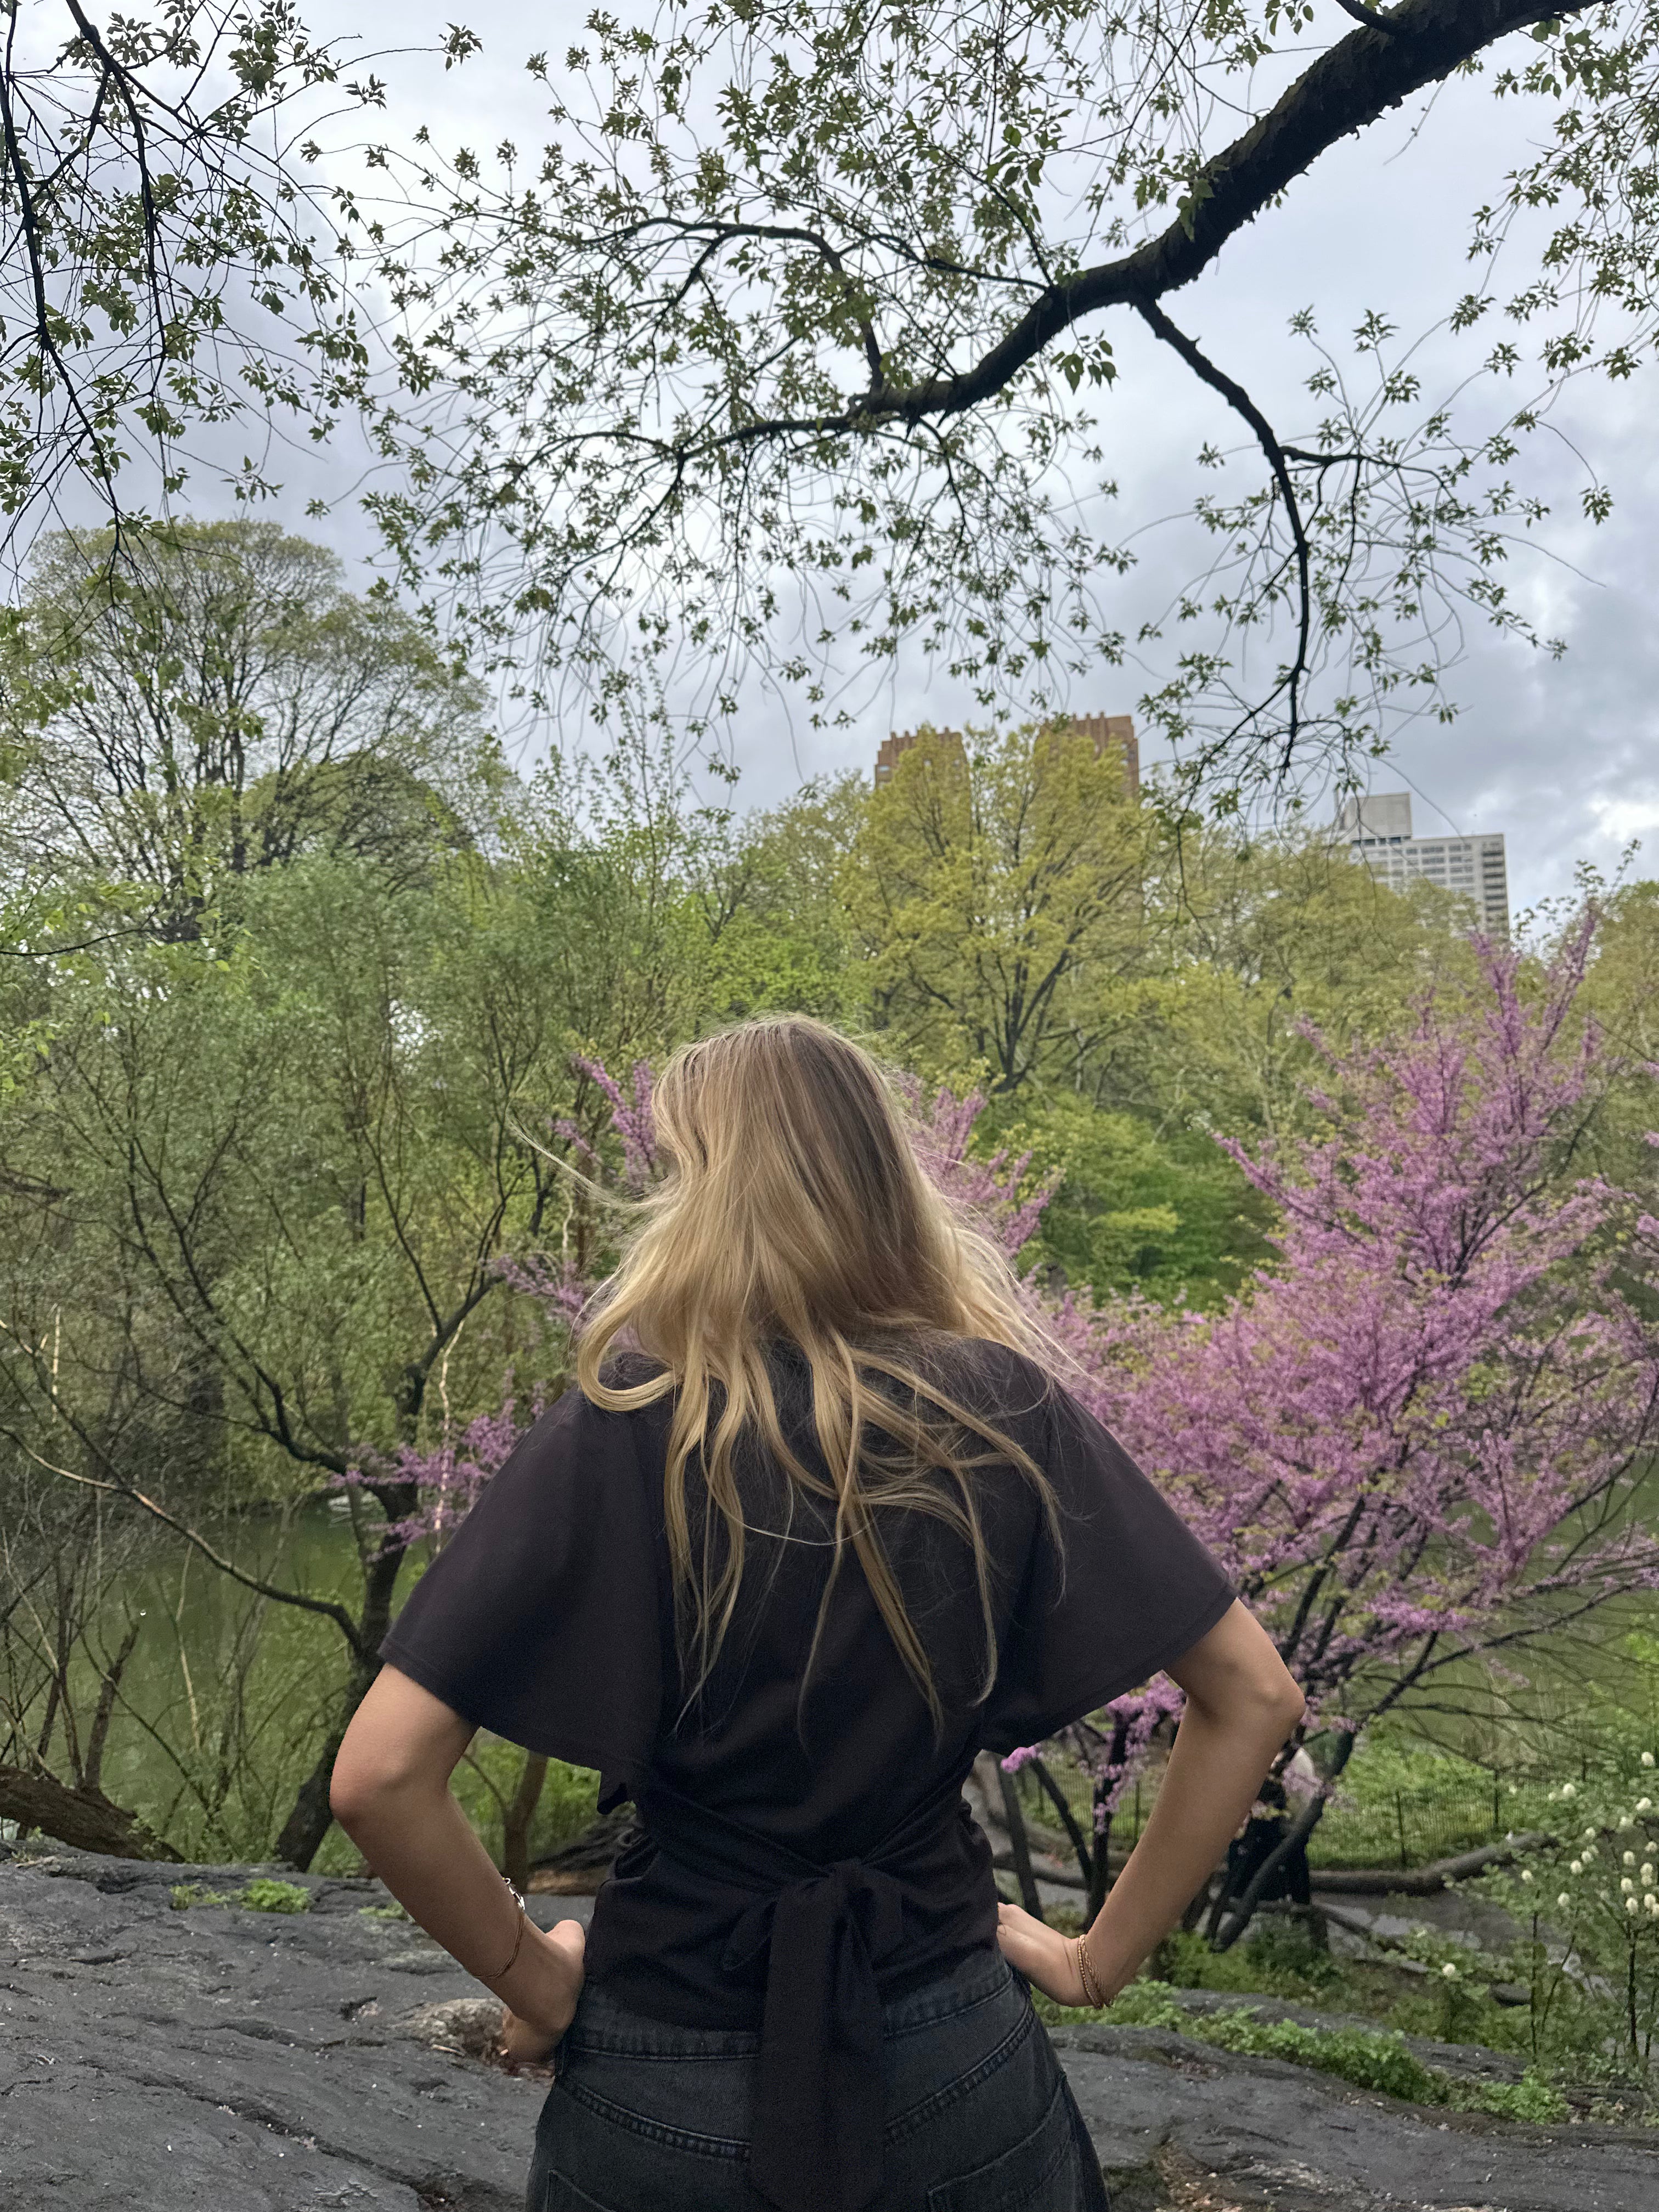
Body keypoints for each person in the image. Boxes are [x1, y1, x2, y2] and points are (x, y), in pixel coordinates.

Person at [330, 1016, 1304, 2212]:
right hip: (955, 2051)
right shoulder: (1001, 1407)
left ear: (708, 1196)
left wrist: (536, 1978)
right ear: (885, 1182)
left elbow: (378, 1777)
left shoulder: (630, 1417)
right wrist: (1098, 1960)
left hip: (662, 2067)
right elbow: (1255, 1696)